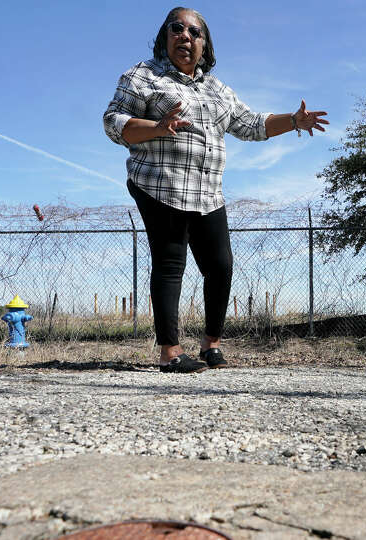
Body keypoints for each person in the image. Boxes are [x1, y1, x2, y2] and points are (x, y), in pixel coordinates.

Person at [103, 6, 329, 373]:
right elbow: (114, 122)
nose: (185, 36)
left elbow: (252, 124)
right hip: (160, 183)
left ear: (205, 46)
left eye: (195, 32)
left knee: (220, 266)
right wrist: (159, 127)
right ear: (165, 36)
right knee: (170, 263)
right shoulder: (142, 76)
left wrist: (293, 120)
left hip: (208, 192)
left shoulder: (217, 89)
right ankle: (171, 353)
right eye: (176, 28)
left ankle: (211, 345)